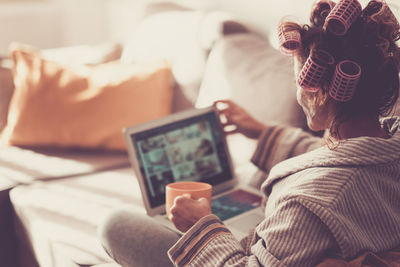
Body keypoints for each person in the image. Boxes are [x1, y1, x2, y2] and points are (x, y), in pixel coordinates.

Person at [98, 0, 400, 266]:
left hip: (250, 252)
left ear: (321, 93)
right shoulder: (390, 141)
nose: (298, 96)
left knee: (116, 223)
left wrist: (202, 225)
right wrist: (262, 132)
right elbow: (346, 160)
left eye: (298, 83)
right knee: (255, 177)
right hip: (304, 235)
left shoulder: (311, 202)